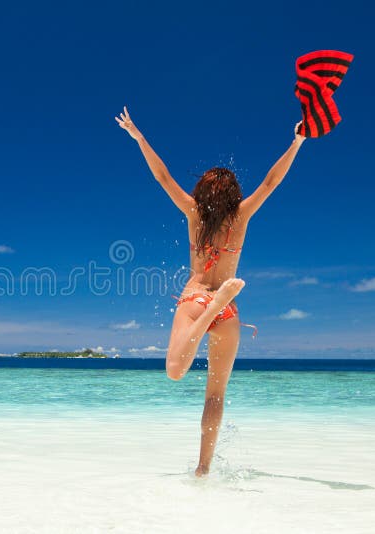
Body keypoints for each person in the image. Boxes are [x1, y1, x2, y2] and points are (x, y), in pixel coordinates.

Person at [116, 106, 305, 476]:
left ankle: (209, 308)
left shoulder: (193, 212)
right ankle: (203, 469)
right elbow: (271, 182)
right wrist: (297, 141)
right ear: (234, 194)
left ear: (202, 191)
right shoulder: (242, 215)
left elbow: (162, 177)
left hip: (198, 296)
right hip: (229, 307)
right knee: (215, 395)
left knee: (174, 371)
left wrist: (139, 137)